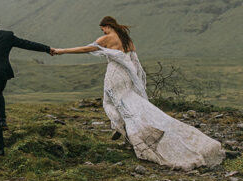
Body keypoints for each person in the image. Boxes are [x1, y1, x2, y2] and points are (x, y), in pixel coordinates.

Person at [52, 16, 224, 170]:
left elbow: (85, 49)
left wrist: (62, 51)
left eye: (102, 28)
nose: (102, 31)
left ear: (107, 26)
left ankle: (127, 129)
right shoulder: (127, 40)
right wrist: (136, 80)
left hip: (114, 75)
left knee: (113, 102)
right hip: (126, 76)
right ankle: (124, 127)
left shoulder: (105, 38)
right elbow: (134, 61)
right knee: (131, 102)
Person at [0, 12, 52, 156]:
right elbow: (27, 44)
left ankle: (0, 148)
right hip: (2, 75)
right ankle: (3, 120)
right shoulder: (7, 36)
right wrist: (47, 49)